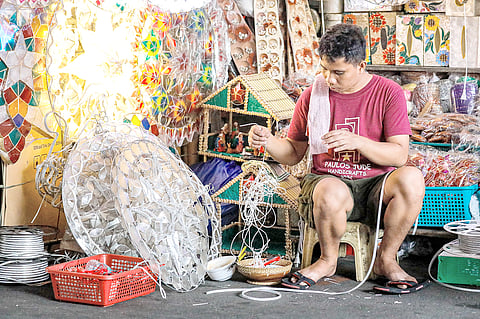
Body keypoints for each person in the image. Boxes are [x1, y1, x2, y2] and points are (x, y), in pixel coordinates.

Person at [248, 23, 426, 293]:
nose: (329, 79)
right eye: (325, 70)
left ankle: (385, 260)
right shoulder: (312, 95)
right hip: (327, 184)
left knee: (412, 179)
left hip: (375, 187)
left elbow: (399, 155)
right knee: (331, 190)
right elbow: (294, 153)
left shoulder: (388, 92)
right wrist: (268, 142)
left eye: (338, 72)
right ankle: (327, 261)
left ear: (361, 65)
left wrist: (358, 142)